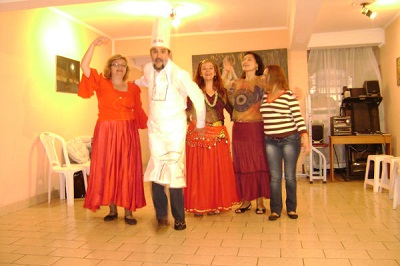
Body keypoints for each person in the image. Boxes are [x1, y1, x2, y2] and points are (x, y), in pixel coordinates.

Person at [135, 17, 206, 230]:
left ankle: (179, 217)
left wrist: (200, 125)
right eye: (155, 51)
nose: (158, 56)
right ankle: (161, 215)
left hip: (175, 130)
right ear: (151, 54)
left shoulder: (180, 74)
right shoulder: (148, 68)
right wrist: (128, 83)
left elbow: (198, 97)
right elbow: (143, 81)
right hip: (155, 130)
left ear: (169, 54)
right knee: (156, 170)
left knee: (174, 172)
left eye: (162, 51)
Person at [78, 36, 148, 225]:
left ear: (126, 69)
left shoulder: (133, 88)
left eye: (123, 65)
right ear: (110, 67)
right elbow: (84, 66)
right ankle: (111, 209)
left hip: (128, 132)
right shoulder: (101, 83)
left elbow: (139, 111)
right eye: (115, 64)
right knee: (108, 168)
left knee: (128, 170)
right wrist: (92, 45)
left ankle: (129, 212)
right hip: (106, 132)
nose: (119, 67)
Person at [185, 59, 240, 217]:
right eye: (204, 68)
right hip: (198, 136)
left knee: (216, 172)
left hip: (218, 135)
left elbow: (233, 111)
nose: (208, 71)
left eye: (211, 68)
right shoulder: (194, 90)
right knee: (199, 172)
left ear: (216, 72)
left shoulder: (222, 91)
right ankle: (199, 204)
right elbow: (186, 112)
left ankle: (215, 203)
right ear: (200, 72)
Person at [260, 65, 310, 221]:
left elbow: (298, 118)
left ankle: (291, 209)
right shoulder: (264, 96)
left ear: (274, 76)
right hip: (270, 141)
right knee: (274, 177)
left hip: (290, 140)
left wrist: (305, 138)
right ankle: (275, 210)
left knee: (289, 176)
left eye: (265, 75)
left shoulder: (289, 95)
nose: (263, 77)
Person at [225, 51, 271, 214]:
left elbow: (278, 89)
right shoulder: (237, 82)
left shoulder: (263, 80)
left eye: (249, 59)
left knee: (258, 163)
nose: (245, 61)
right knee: (242, 164)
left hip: (257, 127)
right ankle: (245, 201)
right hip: (239, 129)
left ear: (257, 64)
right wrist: (227, 71)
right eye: (244, 60)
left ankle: (259, 202)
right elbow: (222, 90)